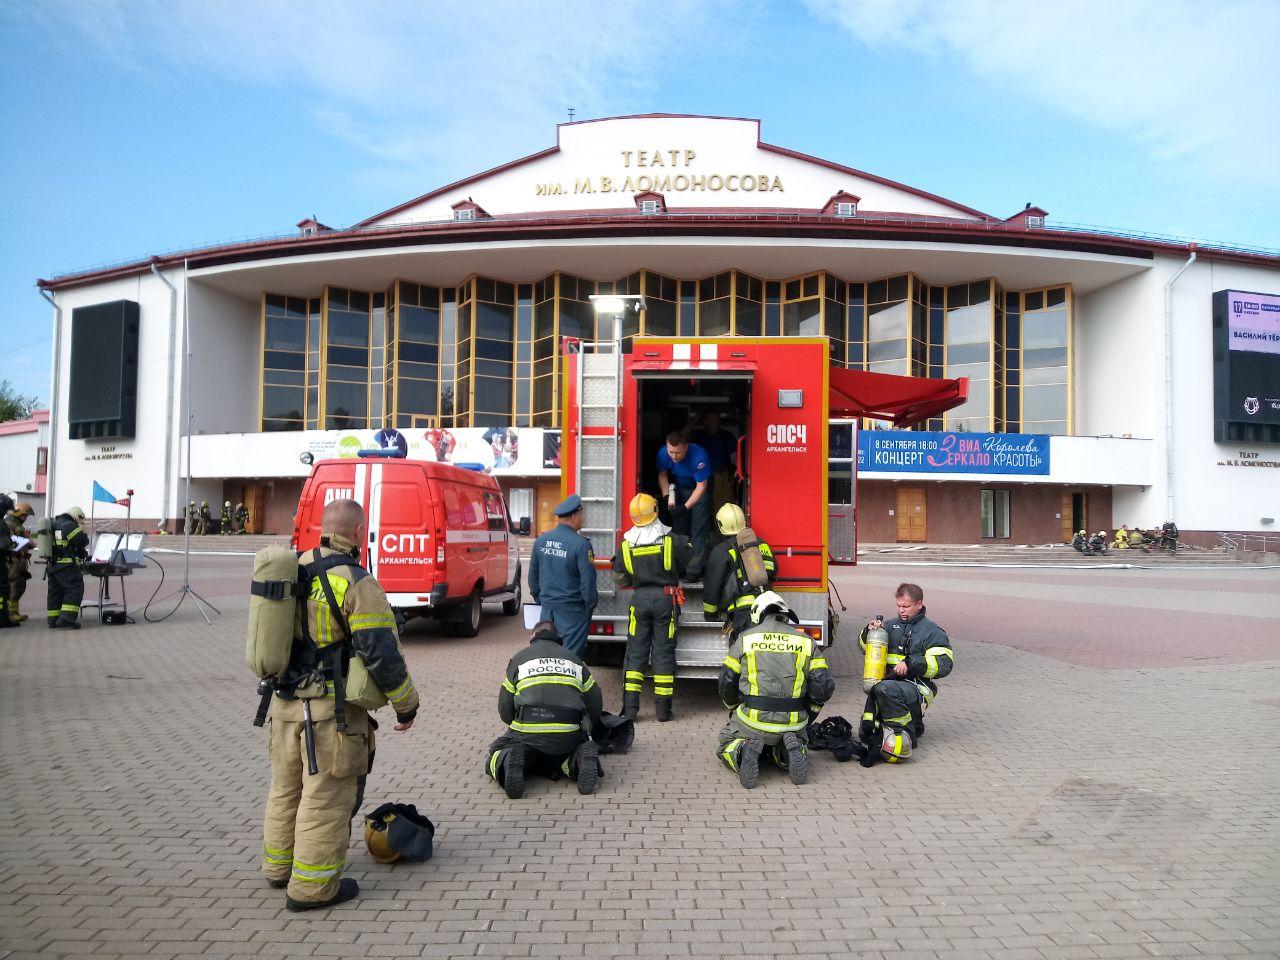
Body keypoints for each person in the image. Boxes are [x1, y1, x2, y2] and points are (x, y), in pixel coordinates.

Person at [261, 498, 419, 911]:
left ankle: (278, 870)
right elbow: (381, 653)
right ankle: (311, 889)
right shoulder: (354, 580)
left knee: (285, 789)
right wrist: (406, 705)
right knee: (325, 799)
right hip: (328, 714)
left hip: (283, 706)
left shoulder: (292, 568)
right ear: (359, 531)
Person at [716, 591, 835, 788]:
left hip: (752, 721)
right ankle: (788, 752)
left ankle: (744, 750)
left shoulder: (745, 639)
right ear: (785, 615)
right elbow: (824, 687)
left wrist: (733, 708)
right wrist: (809, 714)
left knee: (725, 740)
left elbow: (726, 682)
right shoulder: (806, 642)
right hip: (793, 722)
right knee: (796, 737)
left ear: (758, 614)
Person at [484, 621, 604, 799]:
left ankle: (509, 761)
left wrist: (516, 725)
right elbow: (595, 702)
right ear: (557, 637)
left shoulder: (520, 658)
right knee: (565, 754)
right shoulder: (574, 660)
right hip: (567, 732)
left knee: (496, 752)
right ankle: (579, 759)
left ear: (533, 636)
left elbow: (504, 709)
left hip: (527, 732)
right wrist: (587, 729)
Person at [611, 493, 692, 722]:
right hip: (666, 601)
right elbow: (691, 560)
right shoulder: (670, 539)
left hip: (639, 602)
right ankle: (663, 712)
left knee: (635, 654)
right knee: (663, 653)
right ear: (655, 511)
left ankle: (630, 710)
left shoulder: (626, 544)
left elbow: (619, 577)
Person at [858, 583, 953, 764]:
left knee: (886, 689)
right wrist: (869, 632)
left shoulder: (931, 631)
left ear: (919, 604)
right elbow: (866, 649)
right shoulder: (890, 625)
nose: (902, 610)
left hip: (918, 686)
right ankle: (914, 724)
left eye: (906, 606)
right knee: (866, 732)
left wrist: (911, 663)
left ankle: (907, 734)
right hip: (888, 685)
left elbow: (944, 664)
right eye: (899, 606)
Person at [527, 494, 598, 657]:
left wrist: (542, 600)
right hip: (572, 612)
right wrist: (589, 606)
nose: (583, 518)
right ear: (574, 516)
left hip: (547, 610)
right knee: (569, 656)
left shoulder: (541, 541)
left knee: (546, 653)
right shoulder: (581, 544)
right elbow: (588, 582)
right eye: (582, 514)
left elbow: (533, 577)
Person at [702, 504, 777, 642]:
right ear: (744, 521)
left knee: (743, 654)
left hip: (743, 614)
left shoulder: (722, 551)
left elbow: (713, 583)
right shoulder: (761, 544)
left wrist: (710, 613)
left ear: (720, 524)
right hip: (767, 608)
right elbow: (773, 571)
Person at [657, 432, 711, 580]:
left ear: (686, 448)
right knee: (679, 530)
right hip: (679, 489)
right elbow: (662, 475)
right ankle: (679, 567)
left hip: (698, 490)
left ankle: (693, 571)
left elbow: (701, 487)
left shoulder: (698, 456)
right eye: (671, 452)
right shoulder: (663, 454)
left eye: (677, 453)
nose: (673, 457)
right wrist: (667, 496)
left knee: (698, 530)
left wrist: (685, 507)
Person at [47, 506, 89, 629]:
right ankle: (67, 618)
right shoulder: (69, 525)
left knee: (55, 592)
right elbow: (82, 540)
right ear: (76, 517)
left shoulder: (54, 524)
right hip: (66, 566)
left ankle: (53, 619)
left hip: (53, 566)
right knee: (75, 588)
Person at [692, 410, 737, 515]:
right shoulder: (699, 435)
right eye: (711, 420)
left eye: (716, 420)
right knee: (702, 507)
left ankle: (721, 530)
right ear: (705, 421)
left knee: (724, 507)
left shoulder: (726, 436)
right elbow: (680, 437)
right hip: (701, 476)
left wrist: (738, 468)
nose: (714, 422)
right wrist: (695, 420)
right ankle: (706, 531)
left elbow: (734, 456)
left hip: (722, 475)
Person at [5, 501, 34, 624]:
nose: (25, 518)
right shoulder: (9, 524)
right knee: (15, 586)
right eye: (25, 515)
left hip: (18, 560)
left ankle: (14, 612)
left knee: (19, 586)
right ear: (19, 513)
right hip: (13, 561)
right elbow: (11, 542)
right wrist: (28, 541)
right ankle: (11, 614)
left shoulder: (15, 524)